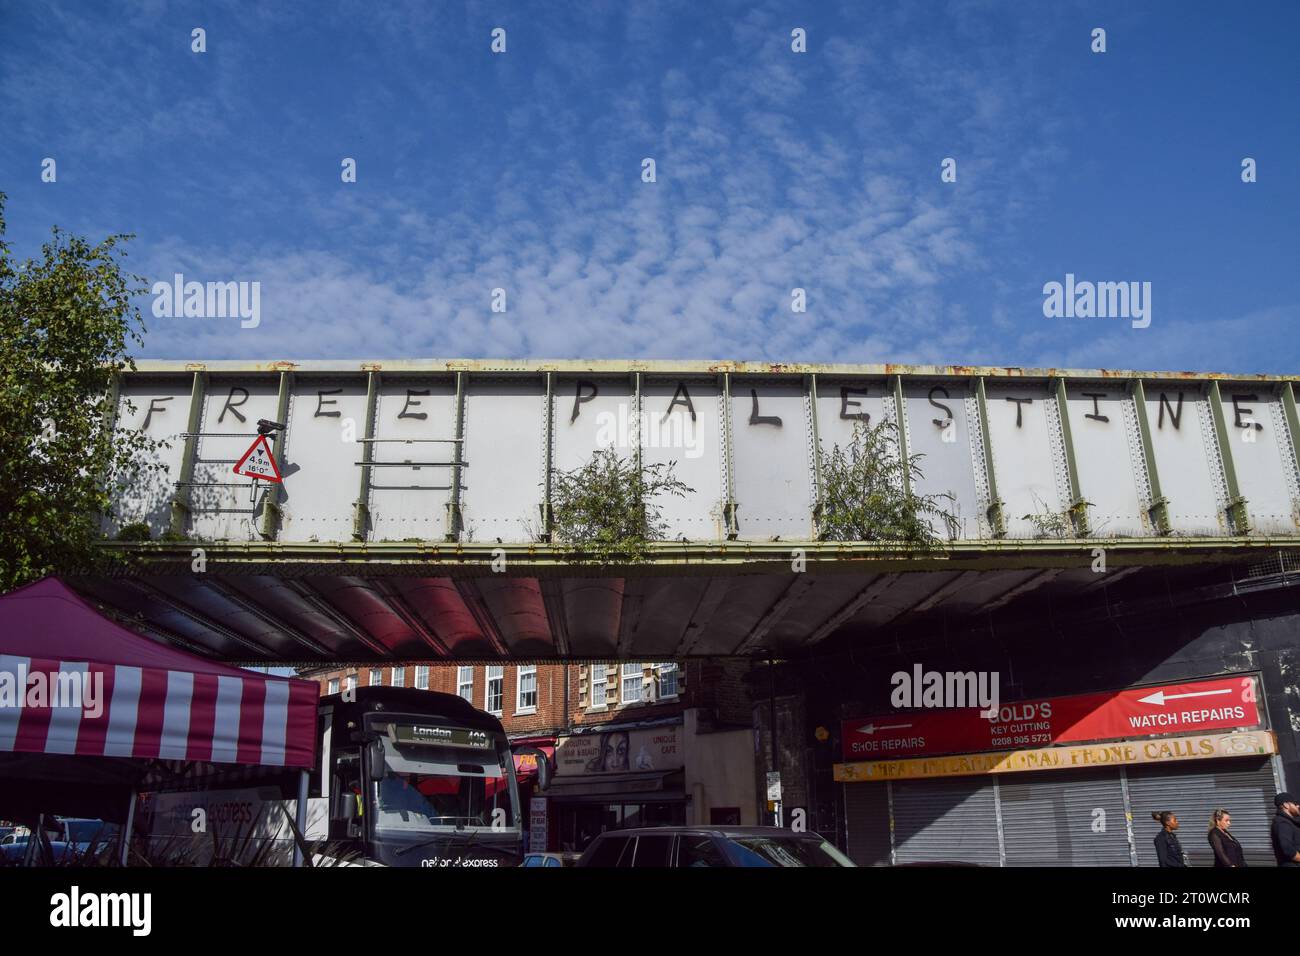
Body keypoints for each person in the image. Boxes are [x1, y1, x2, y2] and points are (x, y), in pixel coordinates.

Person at [1271, 792, 1300, 868]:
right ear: (1286, 805)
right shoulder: (1282, 823)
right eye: (1295, 804)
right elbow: (1288, 849)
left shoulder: (1289, 822)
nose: (1298, 806)